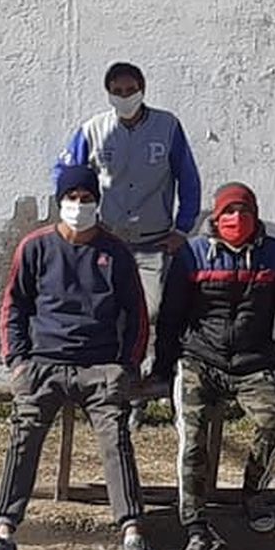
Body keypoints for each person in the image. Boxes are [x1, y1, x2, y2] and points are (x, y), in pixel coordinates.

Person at [0, 164, 156, 550]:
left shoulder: (115, 252)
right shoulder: (35, 247)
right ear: (60, 203)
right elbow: (13, 306)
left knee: (115, 437)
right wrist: (17, 362)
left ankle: (132, 533)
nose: (79, 206)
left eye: (87, 198)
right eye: (72, 198)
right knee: (24, 435)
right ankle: (4, 534)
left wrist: (127, 365)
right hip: (43, 364)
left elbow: (137, 313)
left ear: (97, 202)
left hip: (100, 366)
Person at [153, 182, 275, 550]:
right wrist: (162, 367)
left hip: (254, 364)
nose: (235, 219)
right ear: (215, 218)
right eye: (227, 213)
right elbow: (170, 315)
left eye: (243, 212)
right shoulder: (192, 254)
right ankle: (196, 527)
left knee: (273, 421)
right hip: (199, 360)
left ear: (256, 217)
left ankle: (253, 494)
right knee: (192, 437)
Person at [54, 61, 201, 424]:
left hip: (153, 243)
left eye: (130, 90)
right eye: (117, 92)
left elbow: (189, 179)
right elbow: (65, 173)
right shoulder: (93, 129)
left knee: (147, 316)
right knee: (105, 314)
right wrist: (76, 216)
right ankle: (104, 394)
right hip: (107, 241)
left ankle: (139, 397)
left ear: (142, 90)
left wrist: (183, 229)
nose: (124, 97)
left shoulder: (168, 127)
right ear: (108, 94)